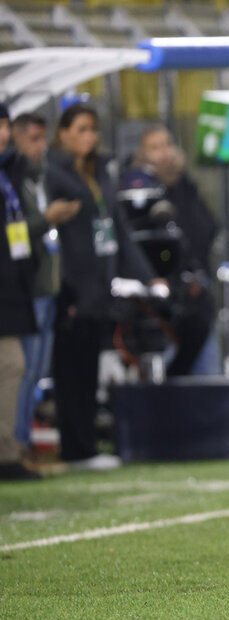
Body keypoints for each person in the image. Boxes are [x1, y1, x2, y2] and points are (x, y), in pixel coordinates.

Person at [46, 104, 159, 470]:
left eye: (93, 129)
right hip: (73, 287)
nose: (89, 136)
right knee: (70, 370)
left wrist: (148, 275)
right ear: (63, 133)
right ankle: (76, 447)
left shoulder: (101, 173)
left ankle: (87, 444)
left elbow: (119, 231)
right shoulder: (53, 174)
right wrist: (69, 289)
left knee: (88, 368)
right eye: (81, 128)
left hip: (99, 285)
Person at [120, 125, 220, 376]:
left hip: (197, 285)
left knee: (207, 368)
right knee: (175, 365)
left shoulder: (183, 185)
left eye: (167, 145)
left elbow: (206, 227)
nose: (164, 153)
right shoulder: (140, 191)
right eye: (155, 148)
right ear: (141, 155)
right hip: (163, 296)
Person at [12, 113, 80, 451]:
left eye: (43, 139)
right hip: (29, 289)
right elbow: (16, 232)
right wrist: (47, 219)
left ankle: (22, 442)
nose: (41, 147)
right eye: (34, 139)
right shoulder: (14, 180)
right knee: (22, 371)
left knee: (35, 371)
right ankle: (17, 444)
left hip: (48, 289)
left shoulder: (39, 178)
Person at [0, 103, 42, 480]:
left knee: (14, 365)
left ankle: (9, 453)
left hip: (11, 286)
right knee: (13, 364)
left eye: (4, 126)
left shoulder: (10, 173)